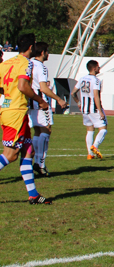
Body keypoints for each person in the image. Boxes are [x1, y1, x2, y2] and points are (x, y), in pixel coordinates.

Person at [0, 34, 52, 204]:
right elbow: (23, 86)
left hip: (10, 110)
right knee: (11, 155)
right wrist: (40, 100)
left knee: (28, 152)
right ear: (31, 47)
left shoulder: (6, 63)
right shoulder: (26, 63)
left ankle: (34, 195)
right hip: (16, 112)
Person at [28, 42, 65, 178]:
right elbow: (43, 88)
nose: (48, 54)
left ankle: (35, 161)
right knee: (46, 129)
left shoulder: (29, 63)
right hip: (41, 102)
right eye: (47, 51)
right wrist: (59, 99)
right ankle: (40, 163)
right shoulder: (41, 67)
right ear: (43, 52)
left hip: (30, 101)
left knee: (37, 130)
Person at [72, 60, 108, 161]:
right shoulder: (96, 80)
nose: (99, 68)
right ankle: (95, 145)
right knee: (103, 128)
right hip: (94, 109)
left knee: (90, 130)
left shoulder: (82, 79)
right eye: (98, 66)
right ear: (94, 68)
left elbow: (73, 93)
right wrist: (100, 111)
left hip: (84, 109)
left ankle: (89, 154)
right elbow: (96, 96)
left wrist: (78, 103)